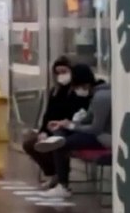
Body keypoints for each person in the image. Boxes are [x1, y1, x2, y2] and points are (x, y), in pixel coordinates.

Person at [33, 64, 110, 198]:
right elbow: (87, 120)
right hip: (95, 134)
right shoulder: (96, 95)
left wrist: (72, 126)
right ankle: (59, 180)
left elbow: (96, 128)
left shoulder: (101, 97)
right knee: (59, 135)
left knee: (61, 143)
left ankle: (63, 185)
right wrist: (64, 124)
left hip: (103, 138)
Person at [23, 57, 88, 188]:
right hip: (52, 128)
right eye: (58, 73)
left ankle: (61, 177)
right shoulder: (55, 91)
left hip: (67, 128)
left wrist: (61, 124)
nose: (61, 76)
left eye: (64, 71)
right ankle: (54, 173)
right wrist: (43, 131)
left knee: (56, 142)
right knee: (30, 144)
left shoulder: (77, 91)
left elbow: (77, 114)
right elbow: (48, 114)